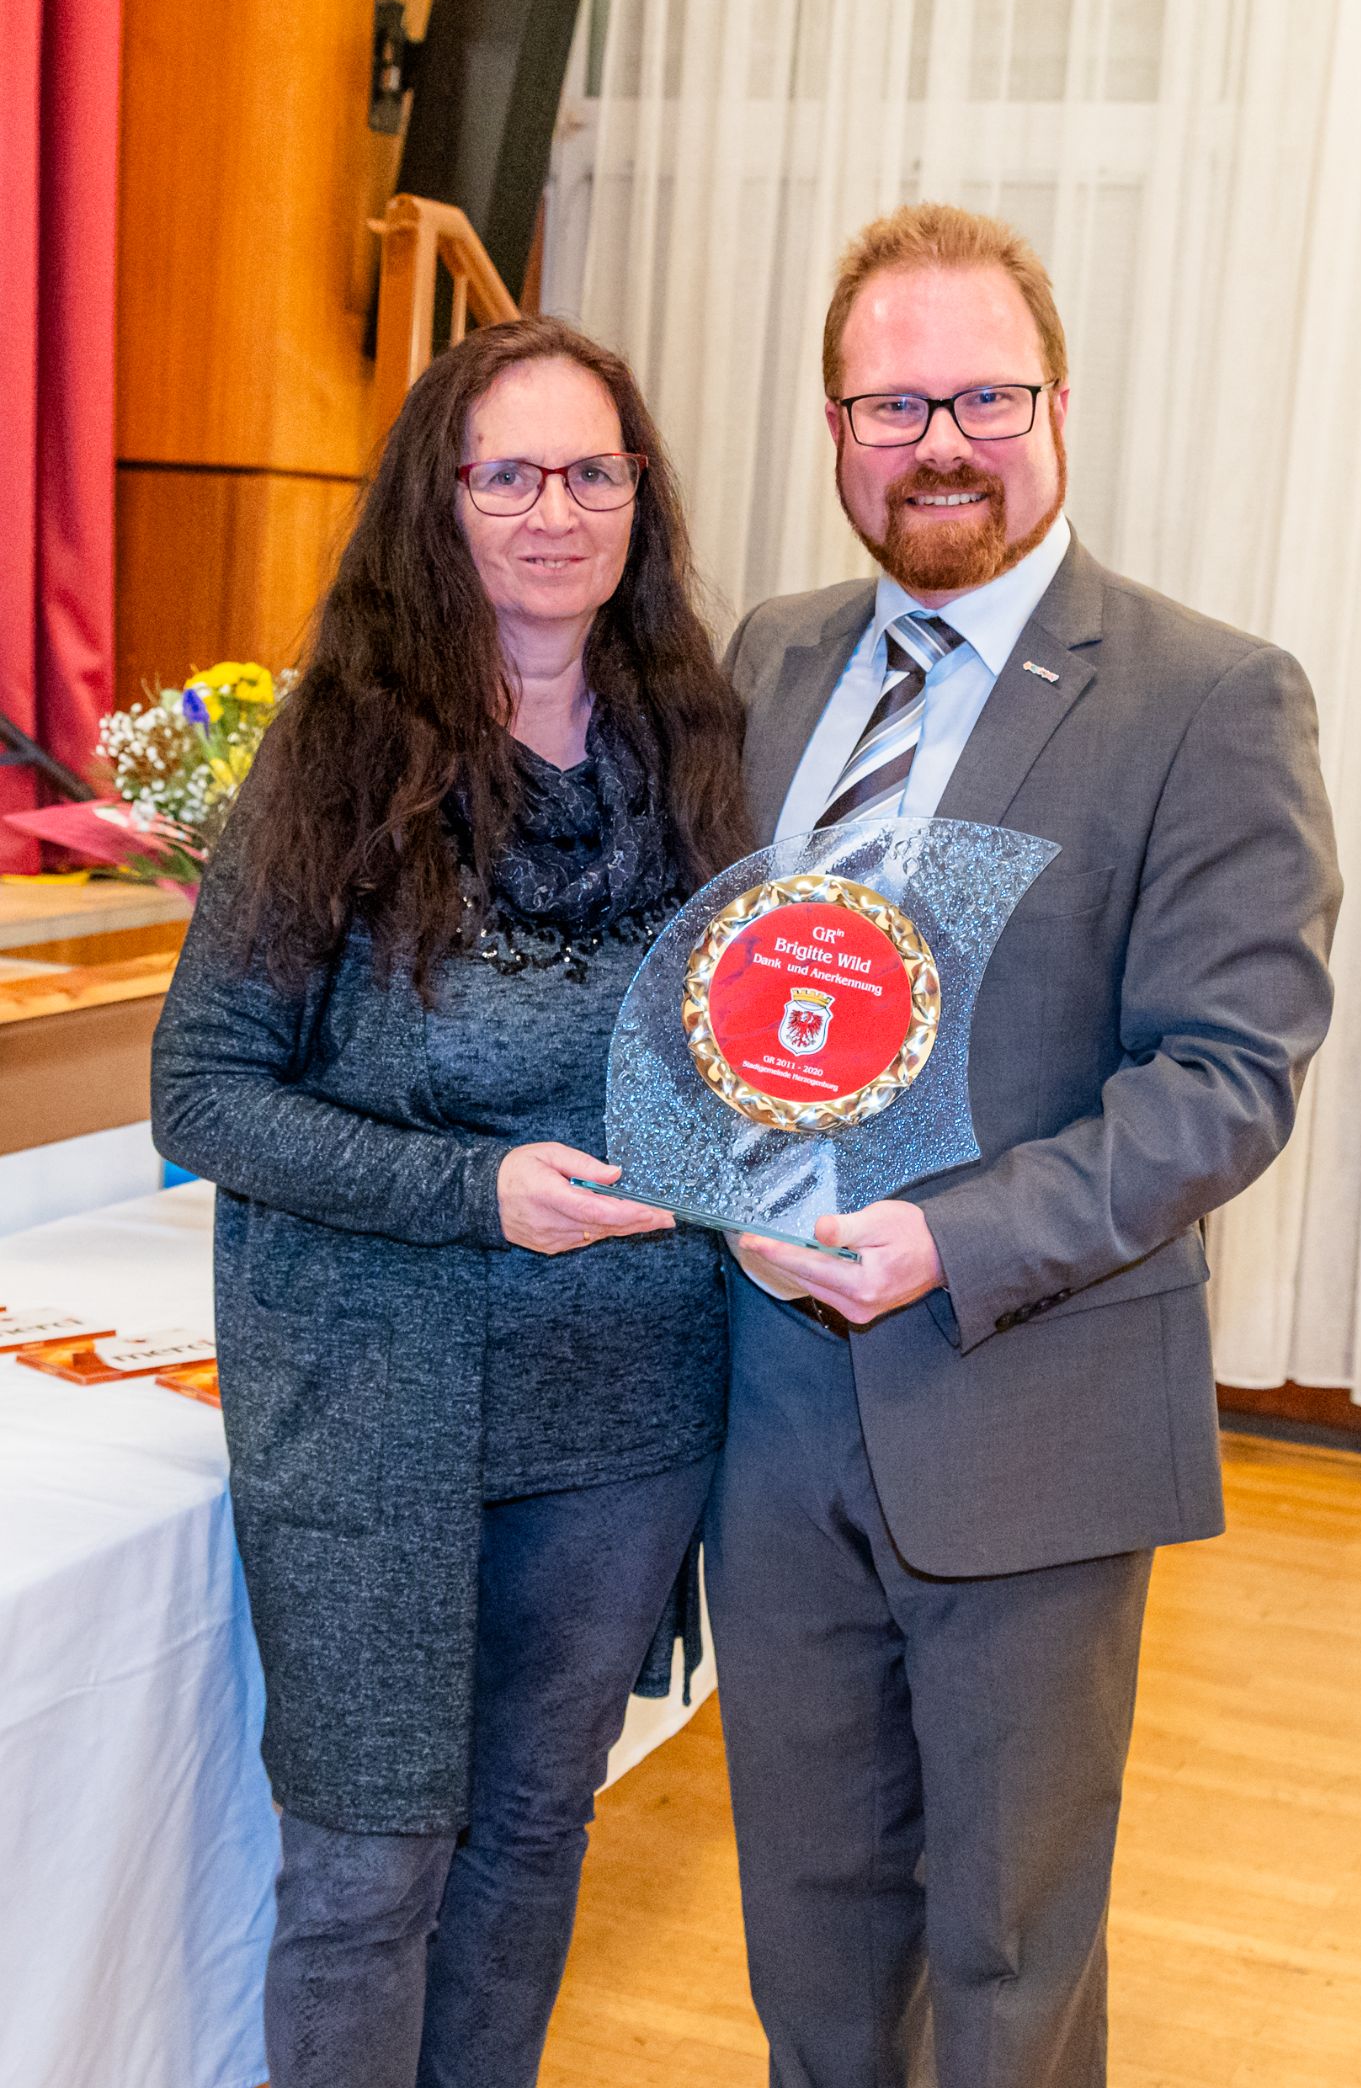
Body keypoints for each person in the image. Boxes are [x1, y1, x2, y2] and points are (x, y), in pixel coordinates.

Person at [705, 202, 1342, 2088]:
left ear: (1061, 406)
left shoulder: (1208, 696)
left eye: (984, 396)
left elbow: (1228, 1071)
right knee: (807, 1921)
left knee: (1010, 1948)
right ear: (835, 429)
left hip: (1026, 1394)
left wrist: (946, 1241)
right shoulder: (772, 656)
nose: (941, 445)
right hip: (766, 1407)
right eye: (891, 407)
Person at [151, 316, 750, 2088]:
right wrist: (477, 1191)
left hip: (631, 1402)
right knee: (368, 1874)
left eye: (592, 472)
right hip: (374, 1406)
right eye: (509, 475)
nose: (555, 512)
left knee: (533, 1831)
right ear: (440, 499)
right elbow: (203, 1091)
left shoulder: (701, 749)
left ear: (639, 498)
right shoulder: (335, 756)